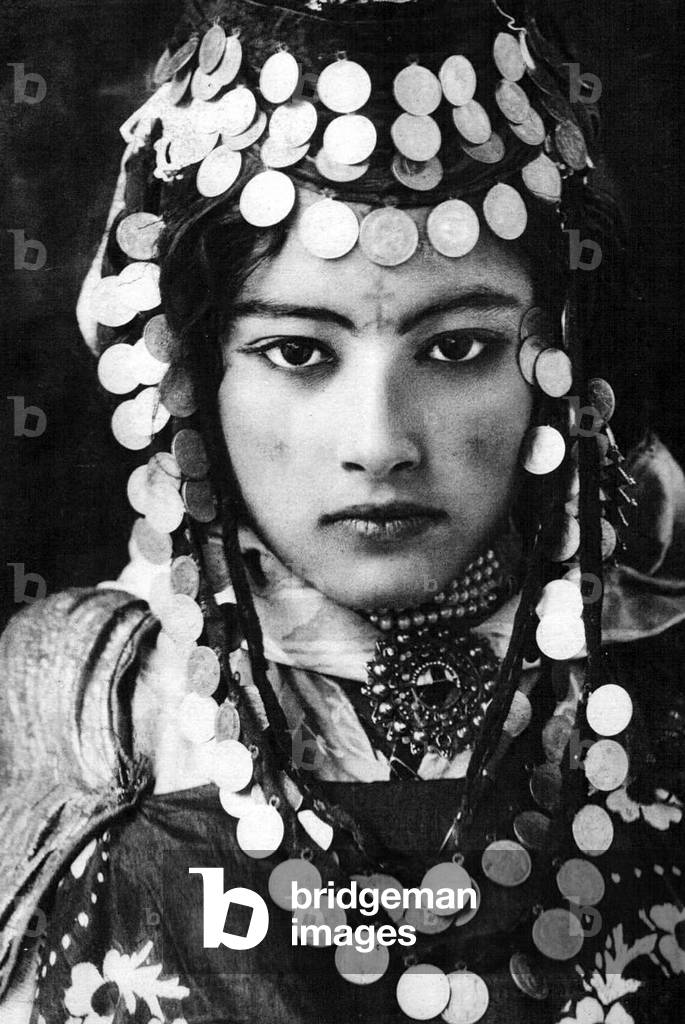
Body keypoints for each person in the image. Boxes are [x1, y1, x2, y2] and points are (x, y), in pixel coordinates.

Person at [1, 1, 684, 1021]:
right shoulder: (88, 716)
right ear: (191, 375)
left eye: (457, 347)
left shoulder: (650, 699)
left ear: (557, 365)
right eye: (297, 351)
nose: (378, 440)